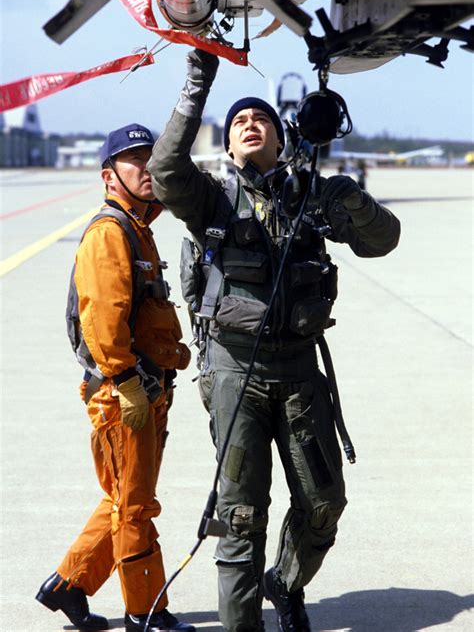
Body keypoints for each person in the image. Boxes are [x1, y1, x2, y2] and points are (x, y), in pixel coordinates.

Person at [147, 51, 401, 632]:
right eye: (239, 122)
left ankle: (284, 582)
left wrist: (346, 194)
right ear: (230, 146)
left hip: (299, 371)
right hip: (235, 374)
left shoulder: (314, 195)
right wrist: (196, 86)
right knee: (239, 518)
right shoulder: (210, 200)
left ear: (283, 141)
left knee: (323, 504)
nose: (250, 124)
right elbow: (164, 170)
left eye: (261, 118)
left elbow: (384, 240)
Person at [36, 124, 195, 632]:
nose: (147, 168)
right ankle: (145, 613)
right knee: (135, 507)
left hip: (144, 390)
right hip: (123, 394)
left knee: (122, 498)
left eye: (152, 158)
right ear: (109, 176)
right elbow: (103, 322)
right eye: (134, 161)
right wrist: (129, 386)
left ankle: (69, 585)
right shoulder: (110, 232)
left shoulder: (138, 228)